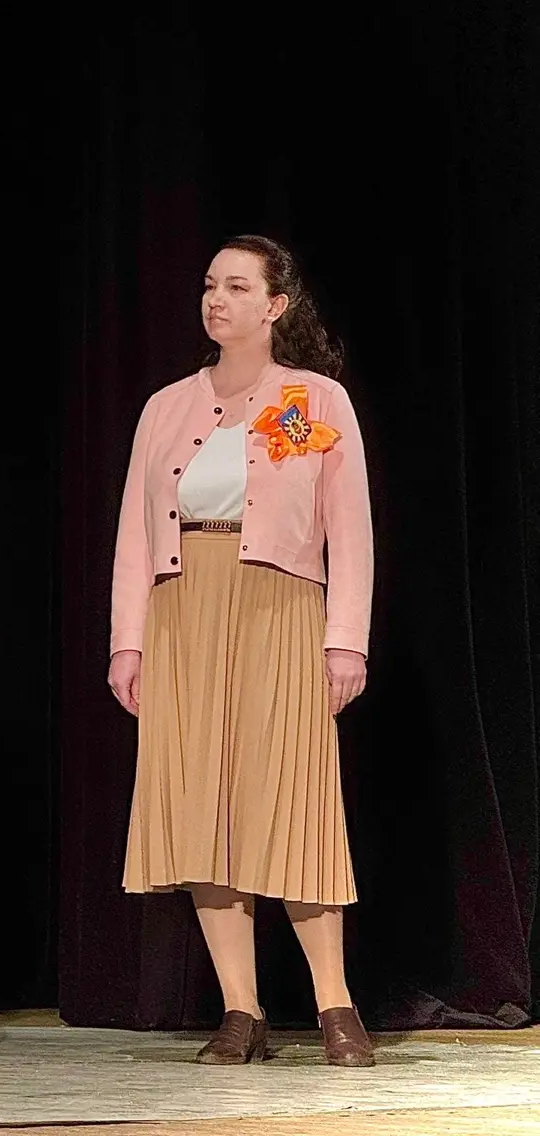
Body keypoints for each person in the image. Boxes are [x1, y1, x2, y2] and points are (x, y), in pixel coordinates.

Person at [108, 235, 374, 1067]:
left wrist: (346, 641)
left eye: (235, 286)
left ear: (275, 305)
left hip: (279, 607)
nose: (215, 299)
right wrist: (127, 643)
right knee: (202, 806)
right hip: (183, 609)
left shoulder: (317, 399)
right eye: (209, 285)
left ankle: (334, 1005)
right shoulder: (166, 406)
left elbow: (351, 530)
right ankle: (240, 1010)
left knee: (290, 798)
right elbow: (133, 535)